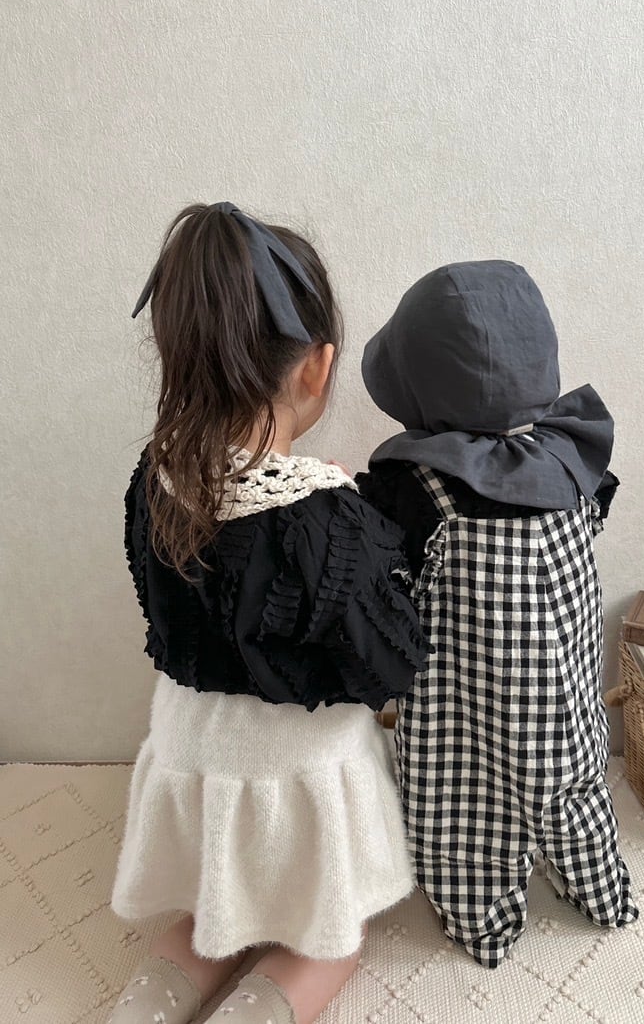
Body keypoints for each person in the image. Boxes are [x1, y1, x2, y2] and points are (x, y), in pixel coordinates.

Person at [109, 203, 428, 1024]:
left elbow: (165, 612)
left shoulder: (155, 478)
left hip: (192, 758)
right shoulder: (329, 516)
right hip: (293, 778)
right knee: (331, 941)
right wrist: (354, 525)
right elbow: (386, 664)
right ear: (316, 369)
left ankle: (140, 1008)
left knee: (204, 924)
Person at [358, 260, 639, 968]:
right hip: (567, 702)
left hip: (466, 713)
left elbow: (378, 574)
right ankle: (600, 890)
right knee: (579, 790)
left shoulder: (415, 489)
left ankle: (480, 917)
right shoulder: (572, 463)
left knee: (464, 814)